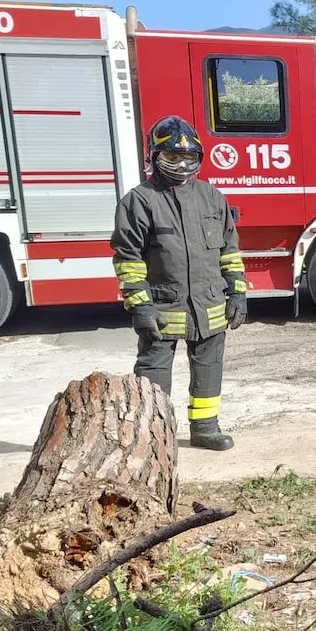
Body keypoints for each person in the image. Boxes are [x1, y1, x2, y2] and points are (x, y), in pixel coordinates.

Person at [112, 116, 247, 451]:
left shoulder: (212, 197)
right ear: (154, 157)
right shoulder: (139, 200)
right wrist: (140, 305)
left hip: (210, 305)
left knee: (209, 368)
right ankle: (150, 437)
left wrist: (238, 293)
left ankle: (205, 429)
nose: (182, 165)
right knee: (153, 372)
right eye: (172, 158)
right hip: (163, 307)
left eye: (190, 158)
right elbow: (128, 259)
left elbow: (229, 250)